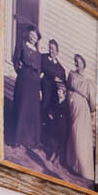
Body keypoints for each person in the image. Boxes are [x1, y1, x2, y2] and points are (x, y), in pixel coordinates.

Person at [6, 26, 46, 155]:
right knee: (22, 107)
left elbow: (39, 70)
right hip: (24, 79)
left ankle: (29, 140)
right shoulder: (22, 45)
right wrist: (21, 71)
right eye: (31, 35)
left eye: (35, 36)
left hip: (34, 83)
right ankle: (16, 139)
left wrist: (38, 86)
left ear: (37, 39)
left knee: (32, 110)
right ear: (28, 35)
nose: (33, 38)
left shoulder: (38, 54)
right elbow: (15, 60)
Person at [40, 38, 70, 175]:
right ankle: (39, 141)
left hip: (55, 99)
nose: (51, 50)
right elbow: (44, 70)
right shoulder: (44, 58)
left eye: (53, 49)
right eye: (50, 48)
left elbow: (62, 83)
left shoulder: (61, 69)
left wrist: (59, 86)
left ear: (57, 52)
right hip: (44, 93)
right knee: (42, 116)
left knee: (52, 123)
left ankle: (50, 148)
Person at [67, 53, 96, 186]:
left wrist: (90, 110)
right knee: (74, 134)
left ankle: (82, 169)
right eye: (76, 62)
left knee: (82, 137)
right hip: (73, 108)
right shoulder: (71, 75)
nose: (77, 64)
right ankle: (73, 165)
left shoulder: (88, 81)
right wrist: (71, 100)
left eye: (80, 62)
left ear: (84, 64)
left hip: (83, 110)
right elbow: (68, 89)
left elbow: (93, 102)